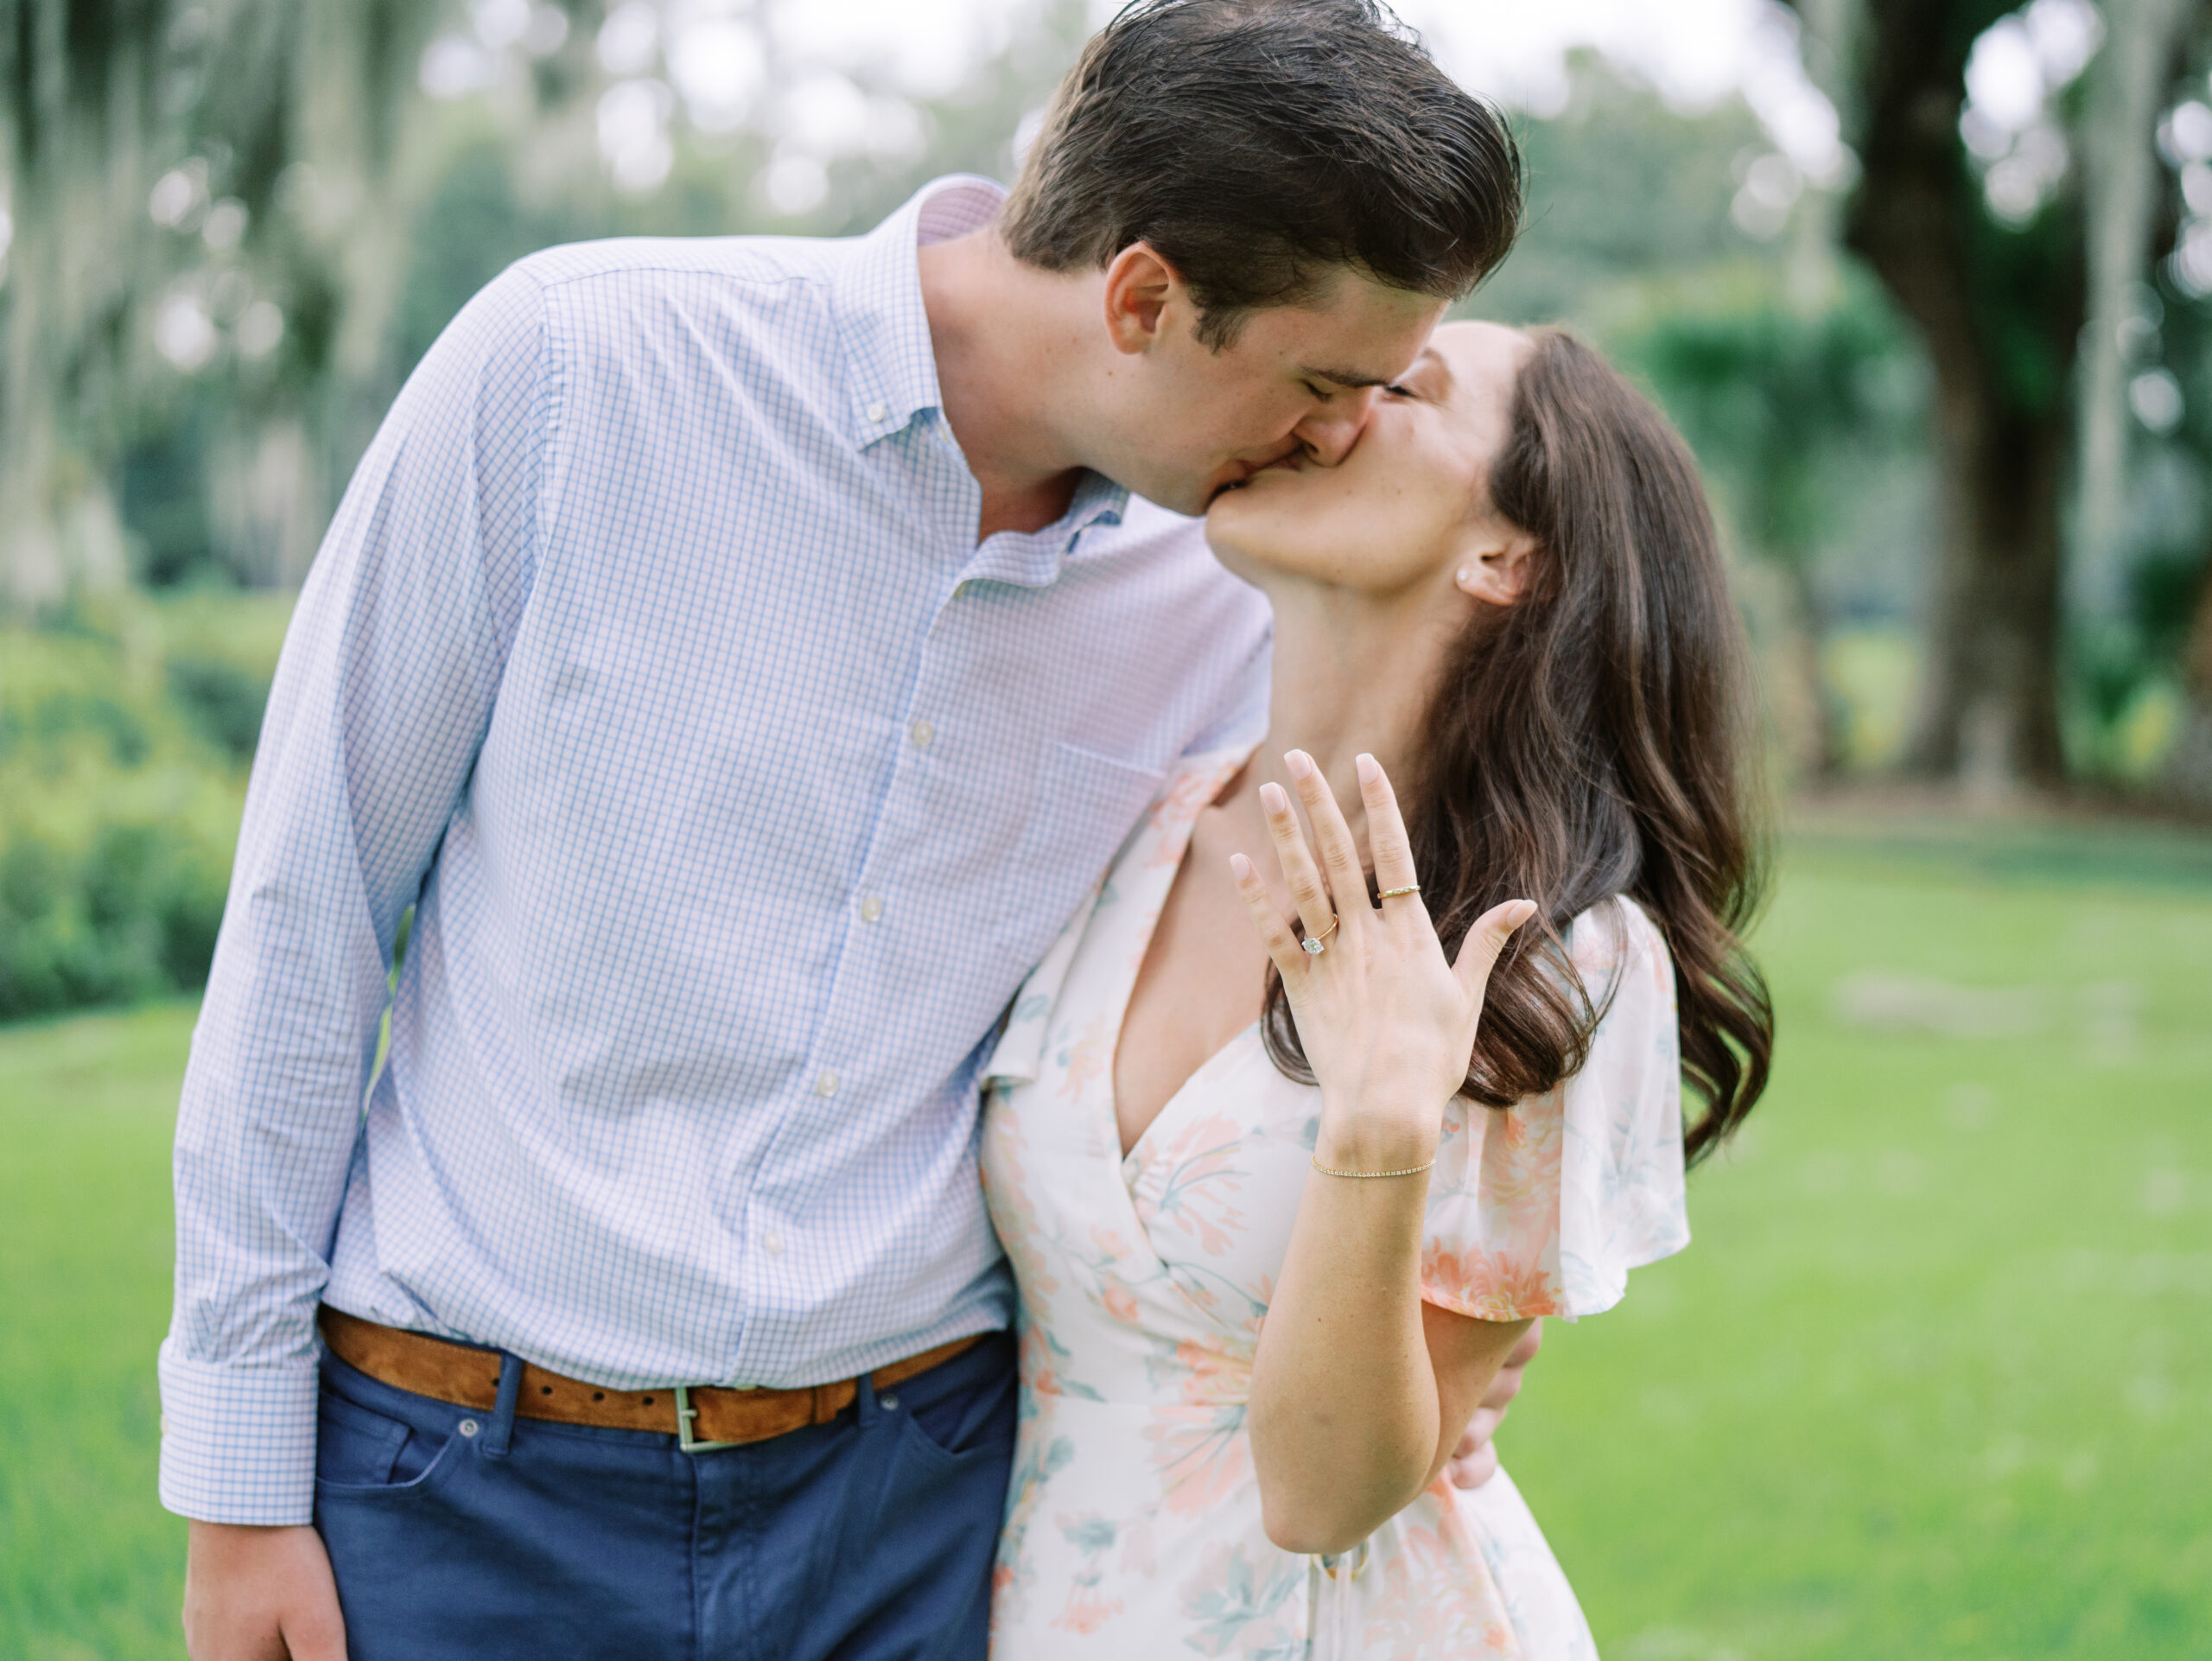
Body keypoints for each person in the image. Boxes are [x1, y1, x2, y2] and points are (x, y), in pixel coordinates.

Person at [160, 4, 1533, 1658]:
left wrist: (1472, 1262)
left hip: (912, 1517)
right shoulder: (578, 369)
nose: (1340, 435)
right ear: (1146, 297)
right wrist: (238, 1492)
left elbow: (1471, 785)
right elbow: (310, 911)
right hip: (461, 1481)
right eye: (1323, 382)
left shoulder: (1224, 584)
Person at [979, 321, 1776, 1657]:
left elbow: (1327, 1491)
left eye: (1399, 386)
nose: (1326, 409)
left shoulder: (1557, 959)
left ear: (1505, 553)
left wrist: (1379, 1133)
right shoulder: (1138, 827)